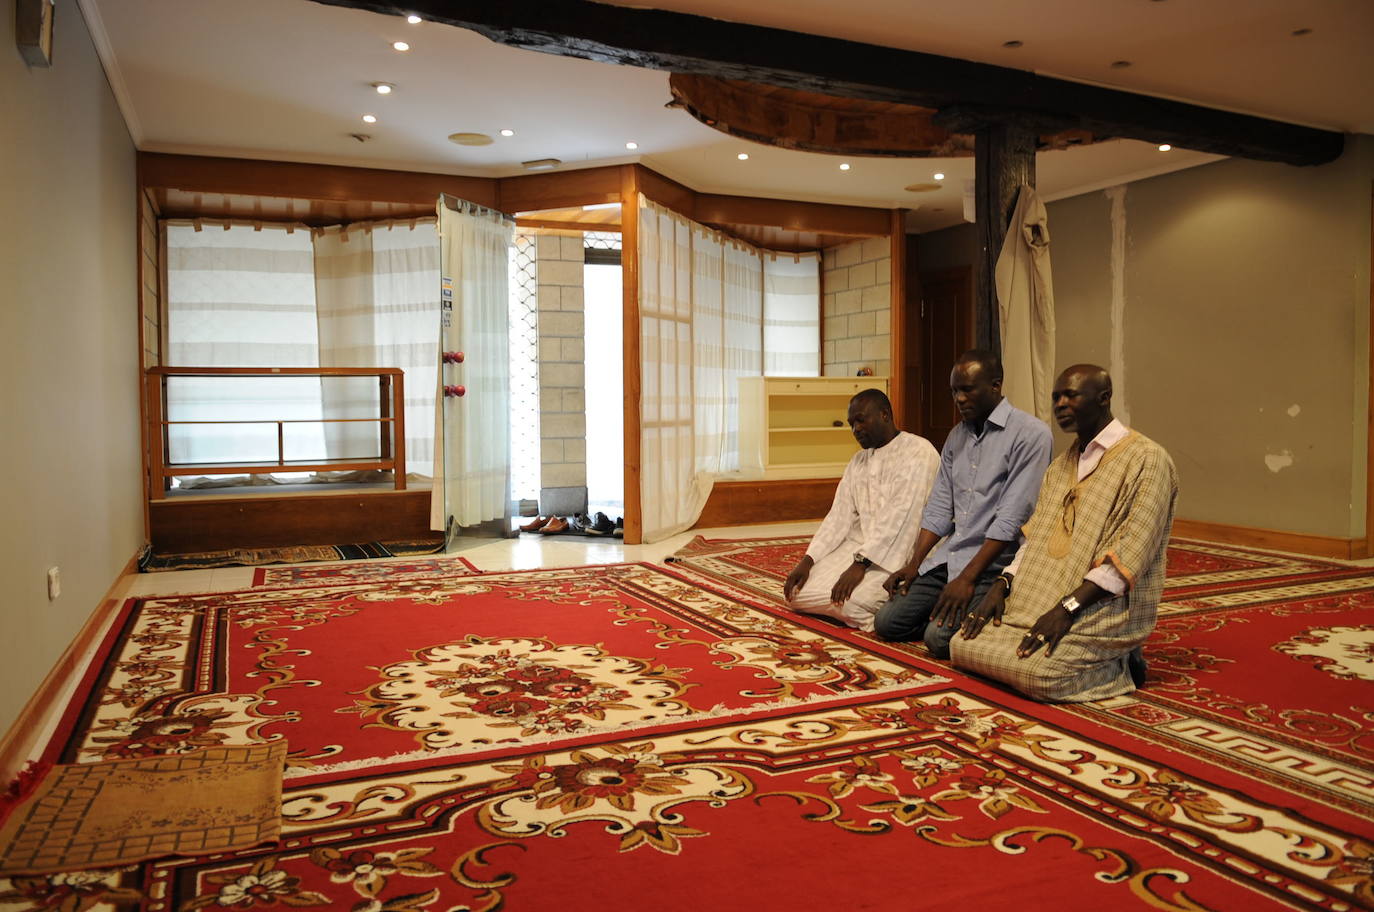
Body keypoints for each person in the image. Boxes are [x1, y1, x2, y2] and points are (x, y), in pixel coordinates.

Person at [952, 363, 1177, 702]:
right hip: (1039, 599)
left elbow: (1132, 552)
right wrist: (1002, 585)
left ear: (1103, 398)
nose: (1059, 405)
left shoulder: (1147, 460)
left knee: (1040, 674)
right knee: (961, 646)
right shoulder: (1060, 466)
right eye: (1056, 397)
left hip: (1098, 606)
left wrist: (1066, 609)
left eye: (1070, 395)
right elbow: (1035, 538)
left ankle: (1123, 664)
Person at [875, 350, 1052, 657]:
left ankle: (987, 615)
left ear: (995, 386)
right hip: (952, 557)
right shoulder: (957, 436)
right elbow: (941, 507)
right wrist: (914, 564)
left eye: (967, 389)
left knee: (938, 640)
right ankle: (951, 612)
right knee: (887, 623)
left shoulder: (1031, 435)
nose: (959, 398)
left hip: (994, 563)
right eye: (954, 391)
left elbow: (1012, 518)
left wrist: (967, 579)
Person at [782, 389, 939, 631]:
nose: (855, 429)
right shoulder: (858, 461)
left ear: (885, 414)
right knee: (795, 594)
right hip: (859, 550)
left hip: (900, 555)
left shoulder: (918, 451)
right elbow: (838, 516)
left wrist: (860, 565)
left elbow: (901, 517)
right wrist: (807, 560)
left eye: (861, 420)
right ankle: (855, 609)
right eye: (851, 423)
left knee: (852, 603)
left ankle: (891, 613)